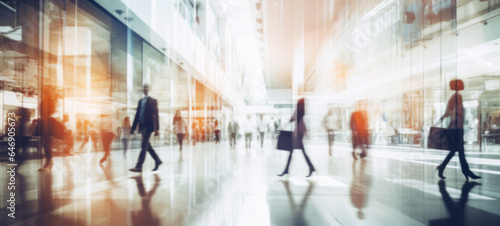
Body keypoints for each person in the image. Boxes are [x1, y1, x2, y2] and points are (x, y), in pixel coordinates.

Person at [436, 79, 481, 181]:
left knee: (455, 151)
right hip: (456, 129)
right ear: (457, 85)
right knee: (459, 151)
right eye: (461, 83)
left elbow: (448, 112)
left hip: (454, 128)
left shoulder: (454, 97)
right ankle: (466, 171)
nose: (463, 84)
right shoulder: (457, 97)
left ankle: (443, 168)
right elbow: (457, 113)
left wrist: (444, 118)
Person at [278, 98, 316, 177]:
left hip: (297, 135)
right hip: (299, 135)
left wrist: (286, 123)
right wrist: (305, 132)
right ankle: (310, 167)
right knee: (295, 152)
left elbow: (293, 119)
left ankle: (287, 170)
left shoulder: (298, 111)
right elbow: (300, 122)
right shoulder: (301, 112)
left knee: (294, 152)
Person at [129, 84, 163, 173]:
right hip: (142, 126)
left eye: (147, 88)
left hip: (149, 126)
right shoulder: (140, 101)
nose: (145, 89)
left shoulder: (153, 101)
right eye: (144, 88)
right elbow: (137, 115)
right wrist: (133, 128)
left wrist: (157, 129)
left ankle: (139, 166)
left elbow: (156, 115)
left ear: (149, 89)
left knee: (144, 145)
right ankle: (157, 160)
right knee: (147, 145)